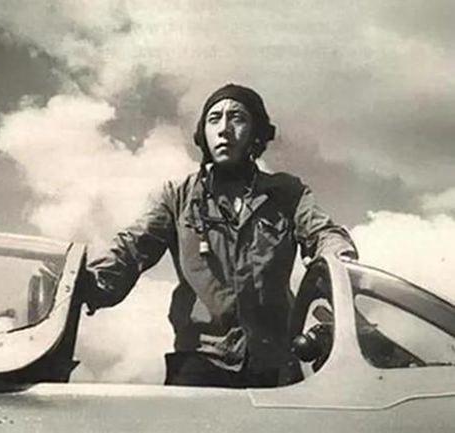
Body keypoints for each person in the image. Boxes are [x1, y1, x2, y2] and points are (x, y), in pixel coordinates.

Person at [82, 84, 357, 388]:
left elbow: (324, 233)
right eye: (214, 119)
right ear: (204, 133)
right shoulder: (178, 196)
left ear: (256, 132)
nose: (224, 129)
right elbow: (132, 247)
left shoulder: (287, 193)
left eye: (237, 118)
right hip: (201, 361)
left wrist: (339, 260)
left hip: (275, 365)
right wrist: (89, 281)